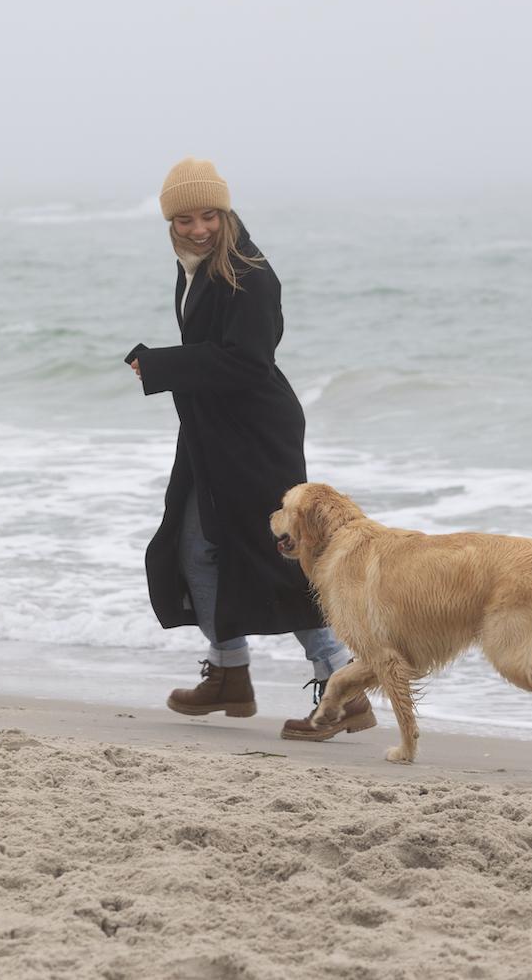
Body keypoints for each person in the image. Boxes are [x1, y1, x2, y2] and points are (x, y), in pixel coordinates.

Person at [125, 157, 375, 741]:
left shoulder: (250, 274)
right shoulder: (194, 267)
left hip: (256, 437)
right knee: (194, 550)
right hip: (211, 432)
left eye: (209, 215)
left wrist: (162, 364)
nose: (198, 229)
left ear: (226, 212)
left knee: (276, 559)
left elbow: (247, 361)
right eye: (184, 219)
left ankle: (345, 690)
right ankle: (229, 674)